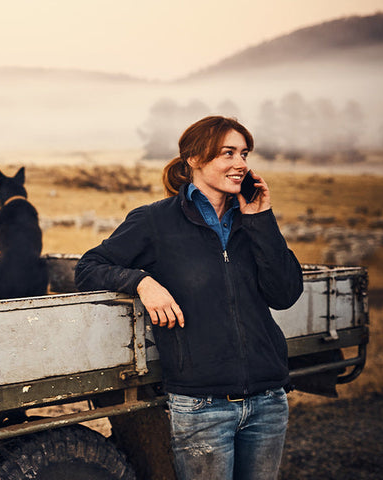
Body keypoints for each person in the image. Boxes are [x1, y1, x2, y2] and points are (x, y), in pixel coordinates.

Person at [75, 116, 303, 479]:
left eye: (244, 153)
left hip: (268, 400)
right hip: (201, 405)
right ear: (194, 158)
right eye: (228, 153)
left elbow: (286, 294)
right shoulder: (154, 221)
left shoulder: (252, 219)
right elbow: (88, 267)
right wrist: (141, 282)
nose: (241, 163)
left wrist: (262, 221)